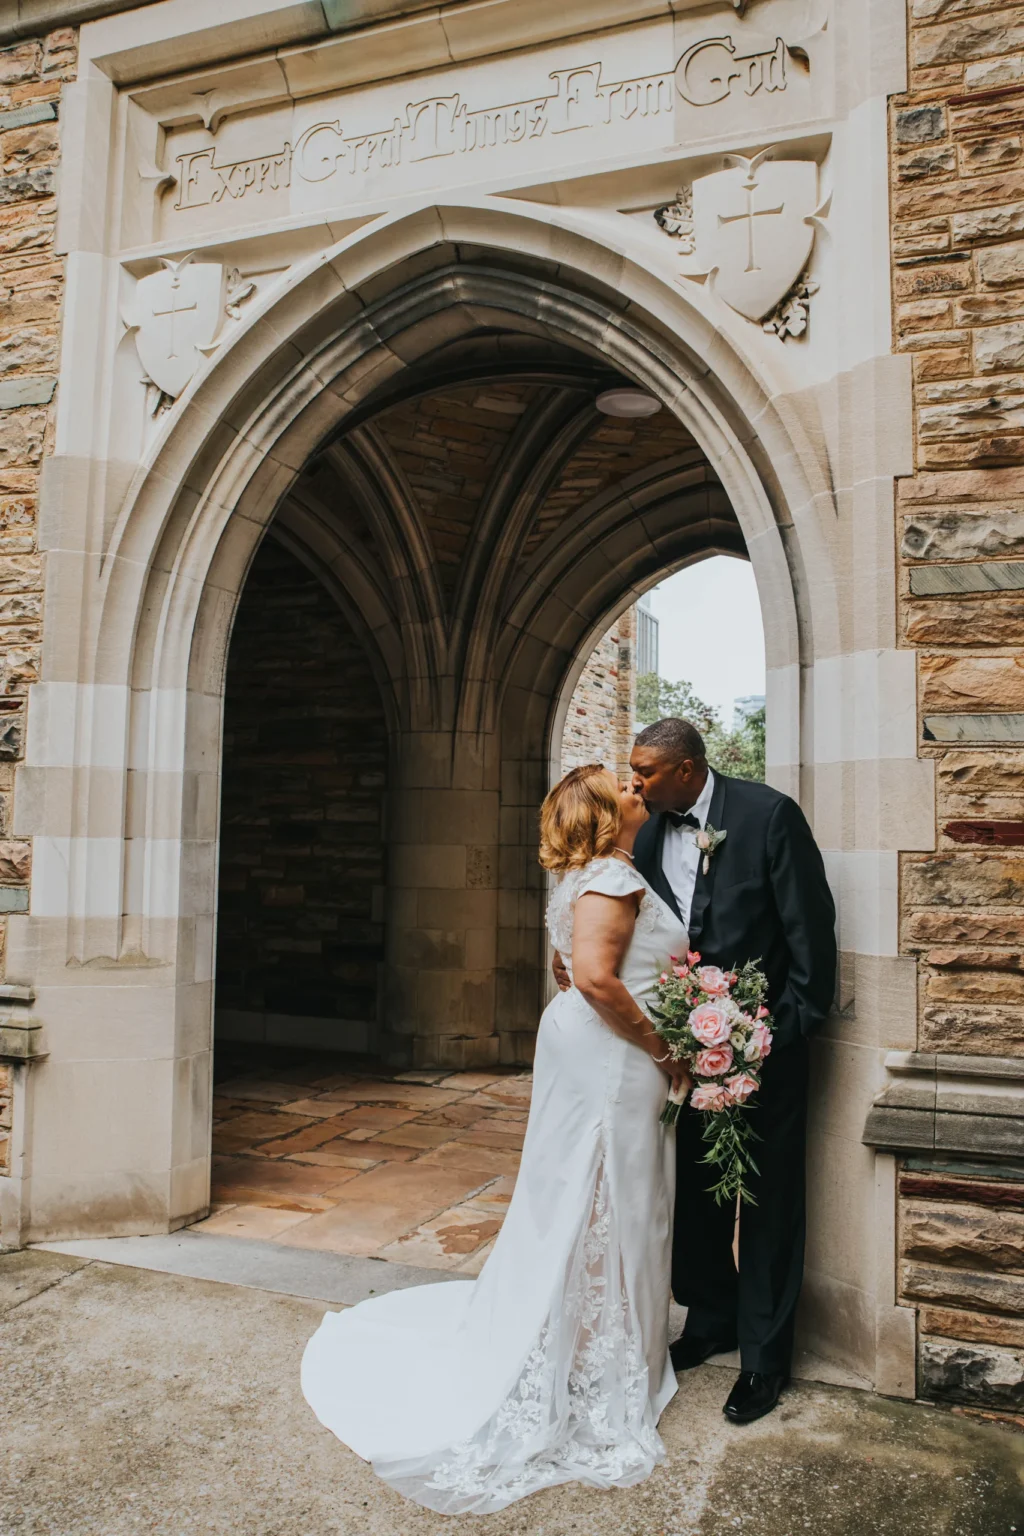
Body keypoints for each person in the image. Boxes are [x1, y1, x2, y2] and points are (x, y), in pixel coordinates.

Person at [301, 764, 691, 1514]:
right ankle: (593, 1361)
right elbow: (598, 980)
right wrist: (667, 1051)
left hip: (589, 1045)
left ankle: (587, 1337)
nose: (639, 790)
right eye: (626, 788)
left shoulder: (585, 877)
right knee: (613, 1189)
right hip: (615, 1055)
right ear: (607, 813)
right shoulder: (611, 877)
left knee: (588, 1188)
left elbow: (567, 969)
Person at [616, 716, 835, 1424]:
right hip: (685, 1050)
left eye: (645, 771)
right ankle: (711, 1321)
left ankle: (766, 1362)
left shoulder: (769, 815)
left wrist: (788, 1029)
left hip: (767, 1046)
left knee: (768, 1199)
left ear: (685, 770)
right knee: (699, 1194)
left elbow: (809, 928)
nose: (635, 783)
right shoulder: (647, 832)